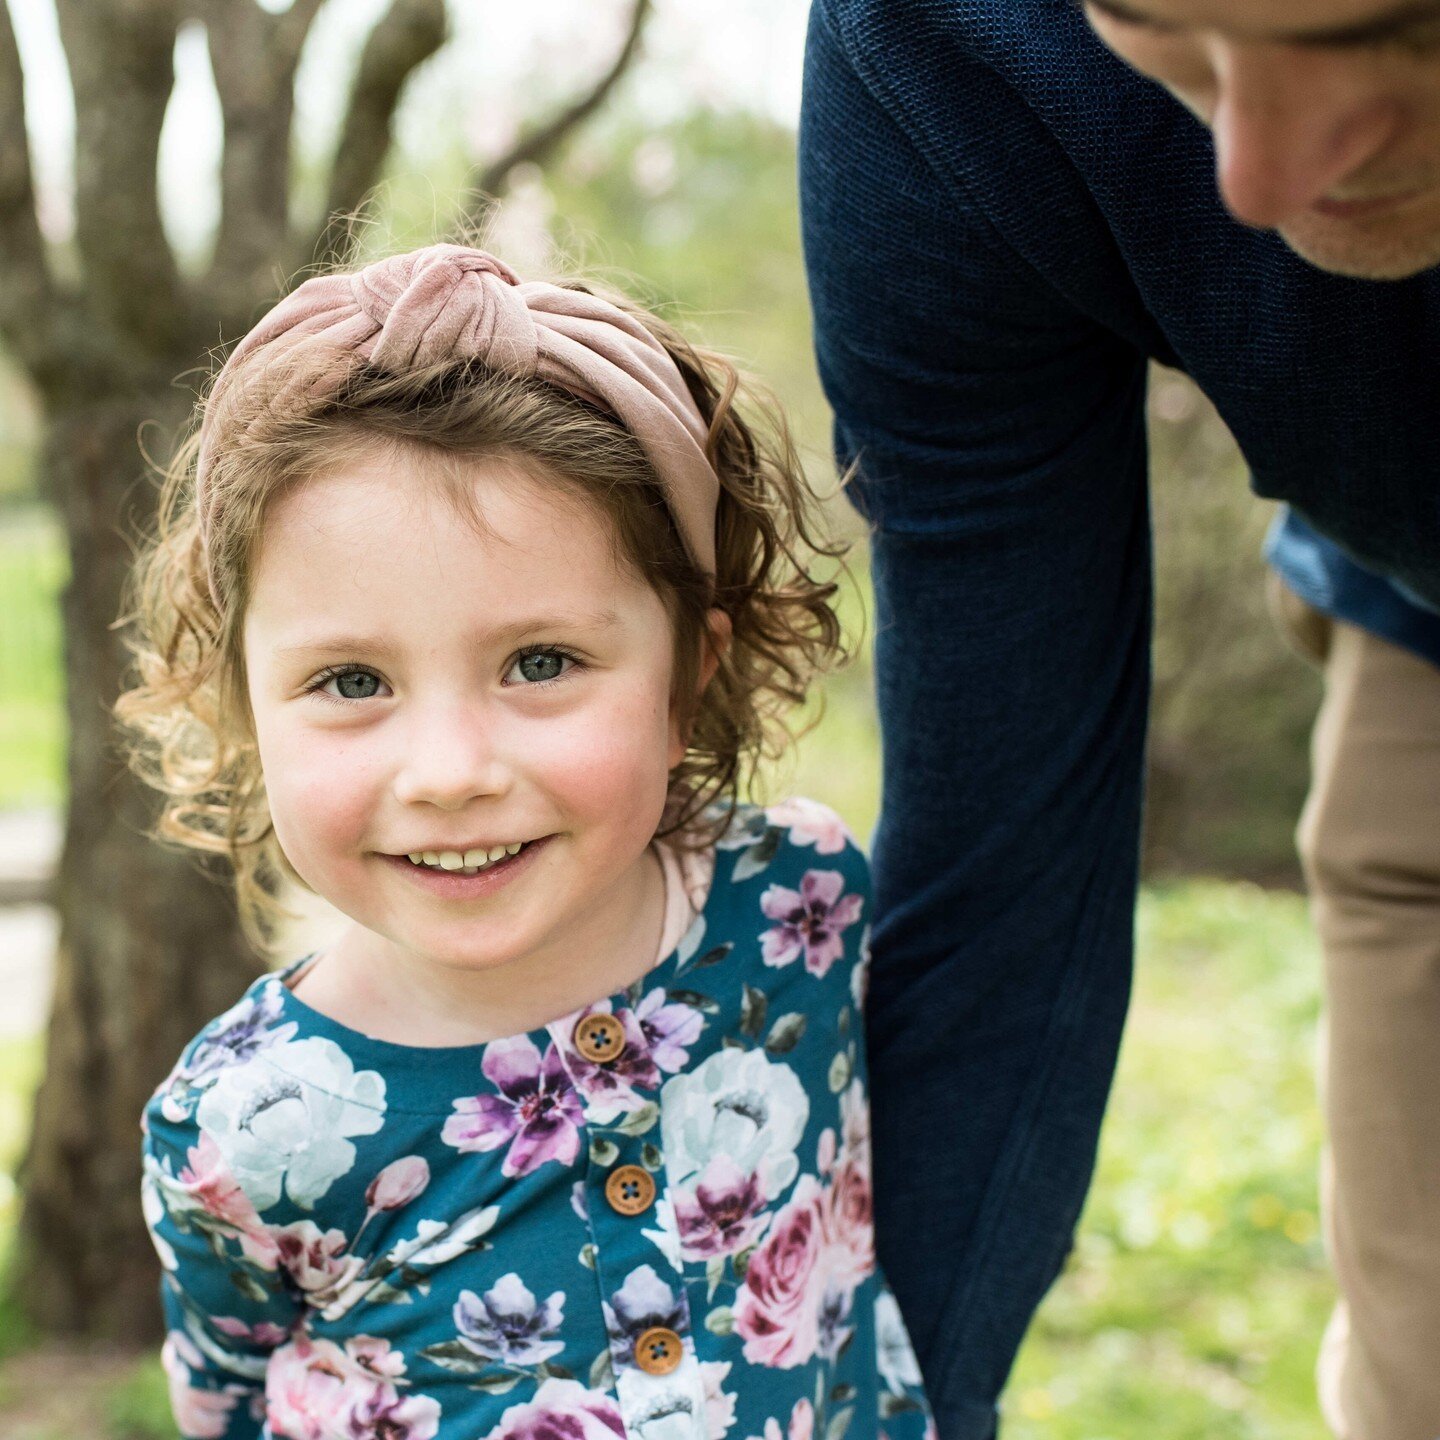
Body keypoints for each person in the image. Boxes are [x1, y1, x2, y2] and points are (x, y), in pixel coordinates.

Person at [116, 241, 938, 1440]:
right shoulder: (245, 1122)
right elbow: (227, 1405)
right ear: (244, 708)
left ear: (688, 673)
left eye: (540, 662)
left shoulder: (797, 905)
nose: (451, 774)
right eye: (351, 679)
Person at [798, 2, 1440, 1439]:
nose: (1257, 183)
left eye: (1392, 36)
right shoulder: (948, 46)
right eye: (1170, 36)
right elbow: (1001, 867)